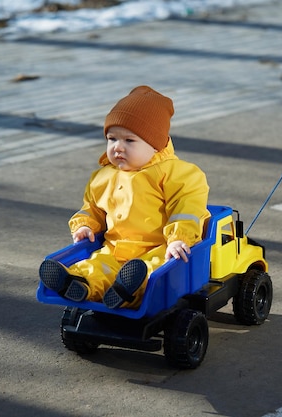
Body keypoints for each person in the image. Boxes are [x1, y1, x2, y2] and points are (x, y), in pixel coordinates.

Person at [39, 85, 210, 308]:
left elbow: (187, 207)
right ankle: (78, 283)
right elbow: (92, 207)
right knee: (98, 265)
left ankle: (126, 292)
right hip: (115, 248)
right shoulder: (103, 176)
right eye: (112, 139)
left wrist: (179, 238)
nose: (118, 147)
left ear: (155, 145)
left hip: (157, 247)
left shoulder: (178, 174)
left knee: (154, 270)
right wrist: (86, 225)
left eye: (129, 141)